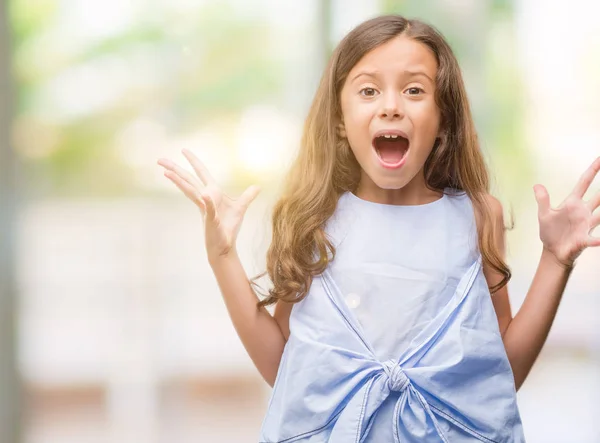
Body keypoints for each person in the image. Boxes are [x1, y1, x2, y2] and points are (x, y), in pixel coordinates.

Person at [157, 14, 600, 443]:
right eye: (369, 90)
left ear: (442, 119)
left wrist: (555, 259)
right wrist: (222, 255)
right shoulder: (315, 219)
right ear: (339, 120)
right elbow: (286, 369)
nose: (391, 106)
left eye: (413, 90)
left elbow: (497, 377)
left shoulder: (479, 216)